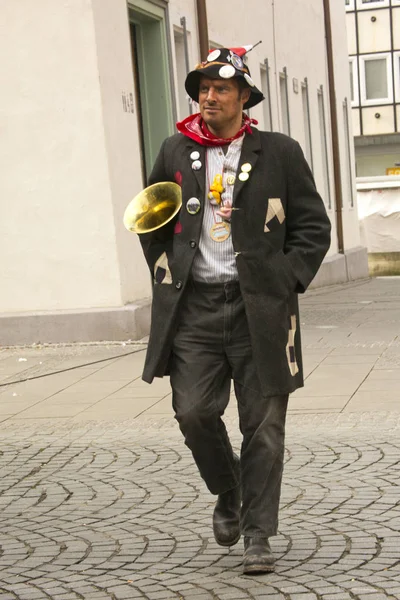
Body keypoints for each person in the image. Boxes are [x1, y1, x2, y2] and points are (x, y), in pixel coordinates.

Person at [139, 45, 331, 574]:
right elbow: (150, 218)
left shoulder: (280, 151)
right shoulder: (176, 151)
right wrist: (164, 269)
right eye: (203, 88)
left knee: (264, 426)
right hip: (195, 308)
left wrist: (285, 279)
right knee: (193, 412)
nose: (209, 97)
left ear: (244, 97)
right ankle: (228, 490)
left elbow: (313, 227)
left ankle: (257, 535)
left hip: (261, 311)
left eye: (221, 89)